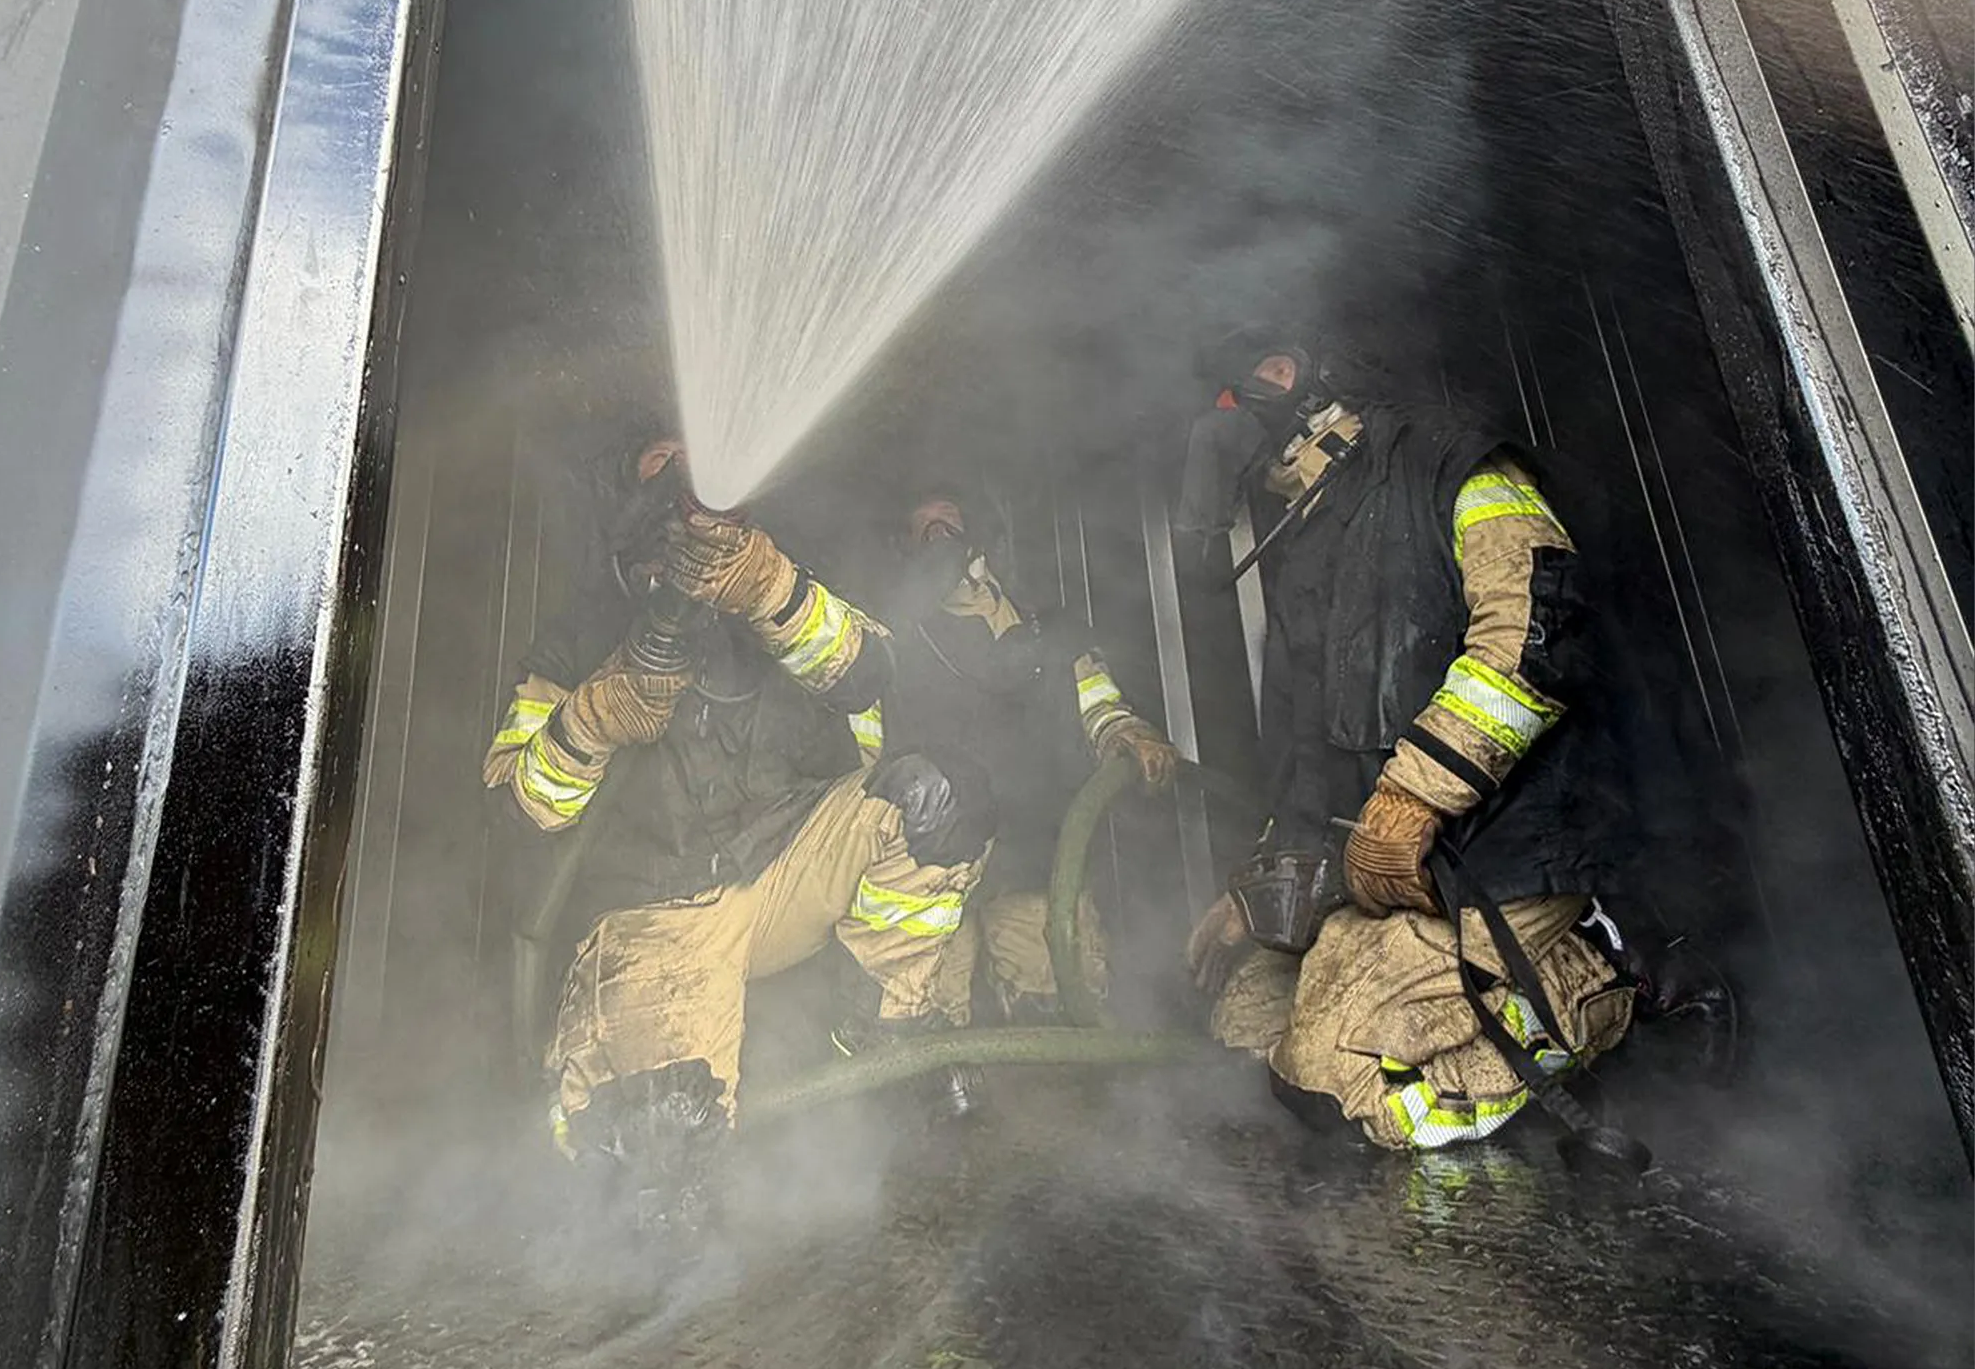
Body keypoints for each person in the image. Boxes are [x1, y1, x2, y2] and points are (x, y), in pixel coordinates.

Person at [1176, 334, 1731, 1156]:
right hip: (1410, 872)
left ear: (1305, 370)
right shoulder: (1309, 543)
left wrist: (1416, 795)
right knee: (1245, 1015)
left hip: (1513, 853)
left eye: (1253, 383)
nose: (1235, 415)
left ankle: (1609, 975)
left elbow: (1533, 634)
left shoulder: (1448, 462)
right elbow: (1307, 752)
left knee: (1335, 1080)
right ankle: (1463, 1009)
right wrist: (1261, 887)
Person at [481, 425, 990, 1221]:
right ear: (630, 503)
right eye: (664, 466)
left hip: (785, 874)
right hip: (658, 911)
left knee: (928, 796)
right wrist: (593, 718)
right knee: (653, 1169)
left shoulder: (775, 588)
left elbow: (870, 675)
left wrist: (765, 589)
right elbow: (520, 811)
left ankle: (882, 1036)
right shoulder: (579, 633)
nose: (691, 483)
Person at [852, 487, 1179, 1024]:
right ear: (903, 549)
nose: (941, 538)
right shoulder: (884, 642)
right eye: (925, 528)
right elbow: (861, 760)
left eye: (950, 522)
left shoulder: (1041, 626)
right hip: (929, 875)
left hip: (1037, 857)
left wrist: (1128, 734)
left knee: (1053, 1016)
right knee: (930, 1026)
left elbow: (1096, 701)